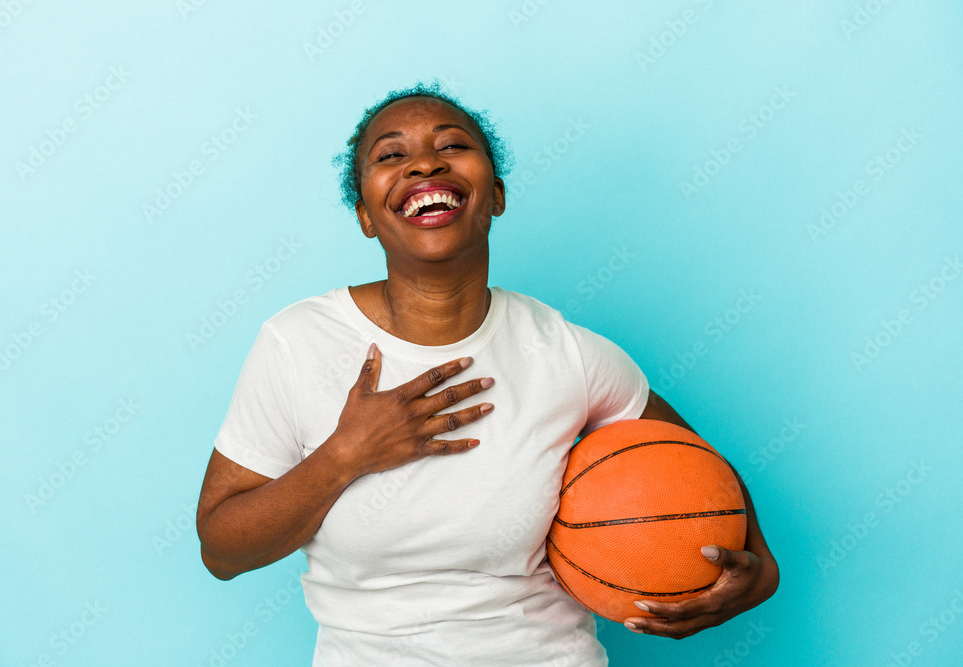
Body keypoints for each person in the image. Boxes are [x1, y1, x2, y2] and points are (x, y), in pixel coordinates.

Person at [196, 81, 779, 665]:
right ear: (366, 216)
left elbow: (696, 466)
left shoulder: (567, 352)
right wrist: (346, 455)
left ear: (495, 195)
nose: (424, 162)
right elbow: (222, 551)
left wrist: (760, 571)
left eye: (452, 146)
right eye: (391, 155)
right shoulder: (299, 342)